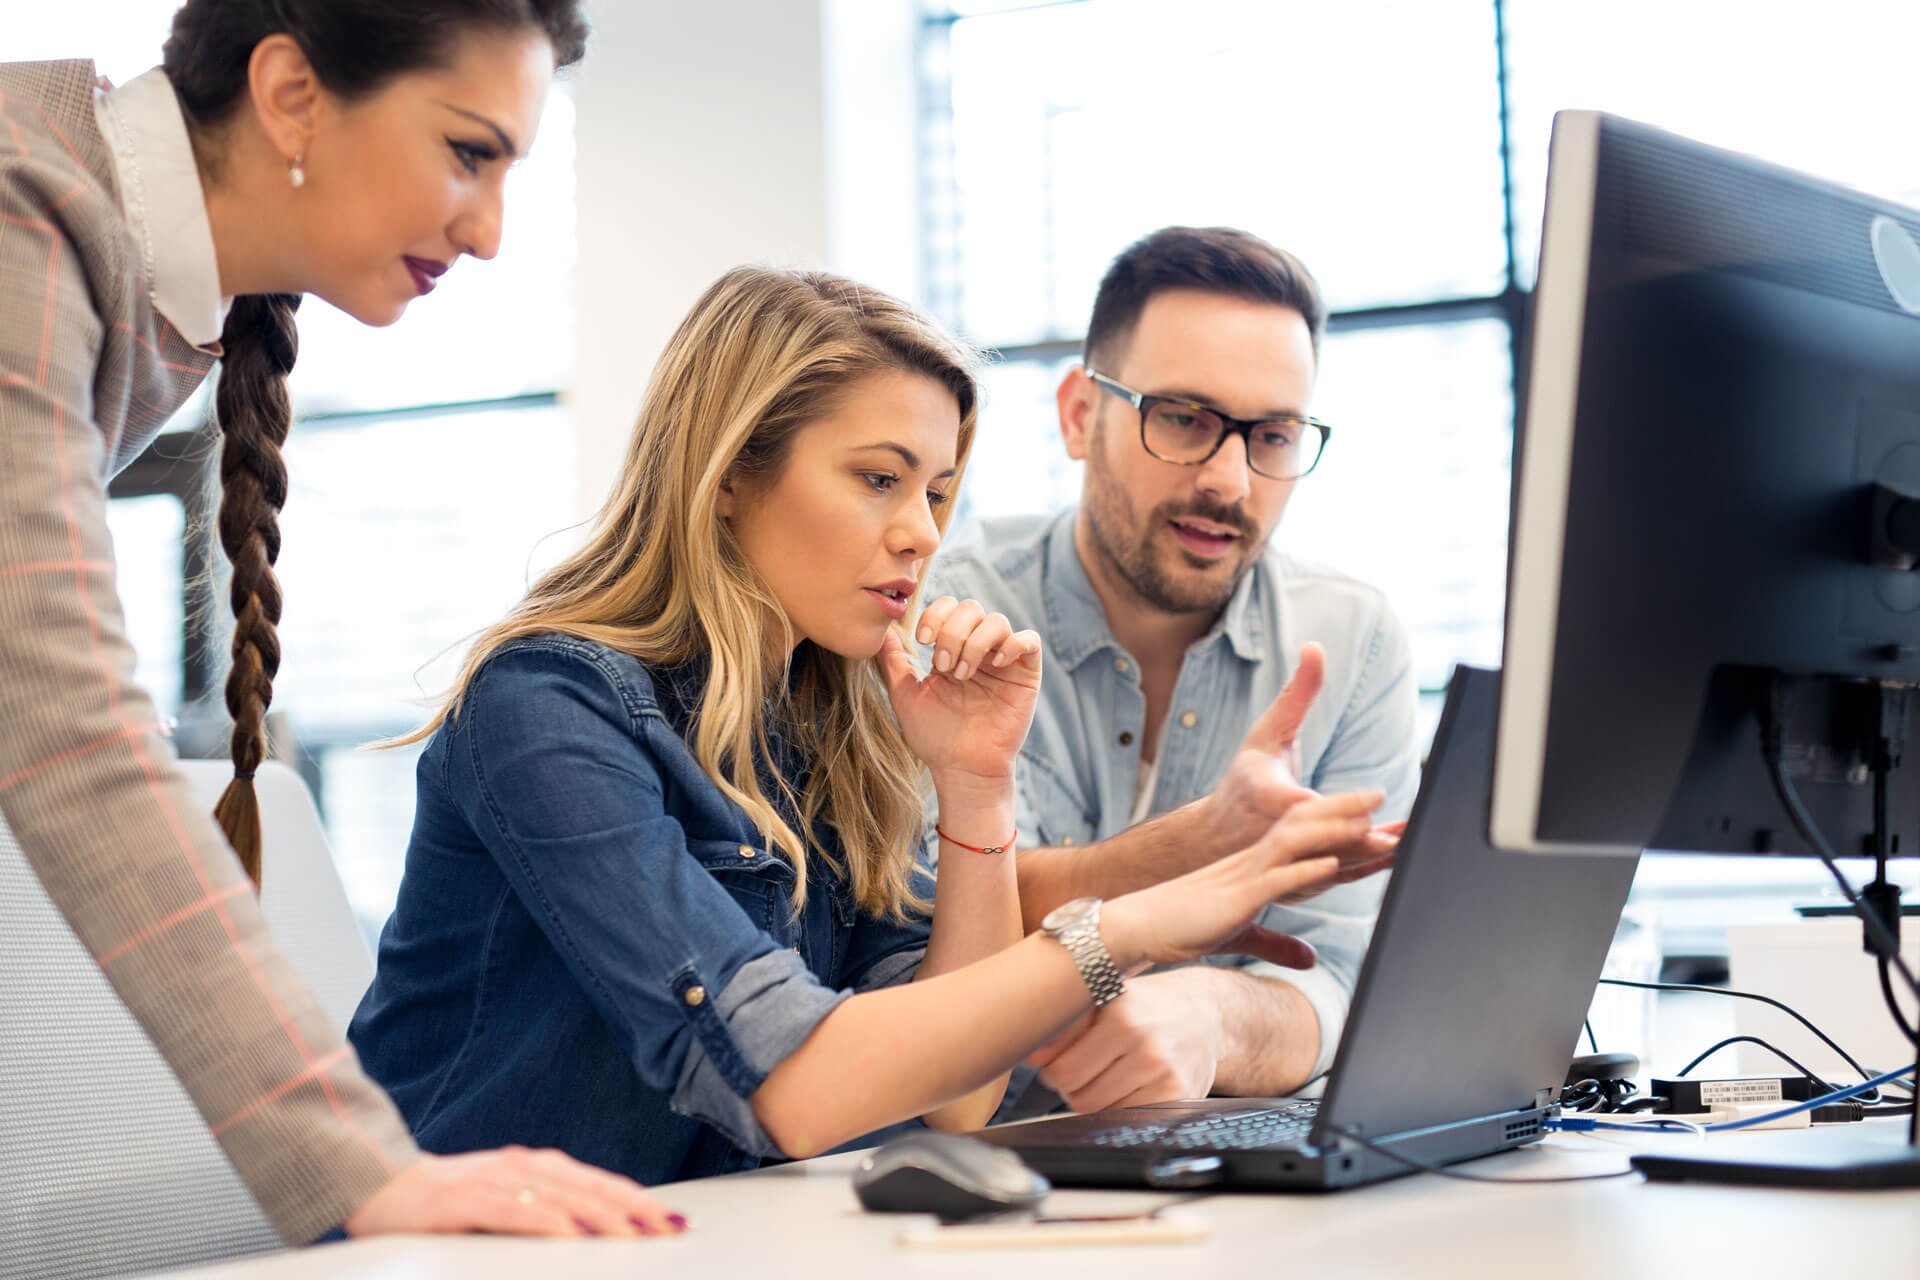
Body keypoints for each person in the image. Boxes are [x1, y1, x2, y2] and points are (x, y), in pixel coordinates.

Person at [346, 265, 1388, 1184]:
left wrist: (976, 786)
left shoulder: (823, 727)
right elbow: (795, 1083)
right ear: (728, 475)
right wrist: (1121, 926)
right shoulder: (545, 706)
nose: (923, 532)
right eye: (879, 478)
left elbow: (960, 1095)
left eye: (937, 491)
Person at [0, 0, 680, 1244]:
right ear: (292, 94)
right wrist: (362, 1168)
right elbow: (62, 730)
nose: (487, 233)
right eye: (468, 152)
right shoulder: (20, 215)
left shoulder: (132, 271)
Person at [926, 225, 1418, 1118]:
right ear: (1081, 415)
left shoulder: (1355, 641)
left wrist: (1218, 1016)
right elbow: (956, 927)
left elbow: (1351, 984)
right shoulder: (949, 621)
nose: (1230, 481)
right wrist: (1210, 842)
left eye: (1272, 436)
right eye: (1185, 420)